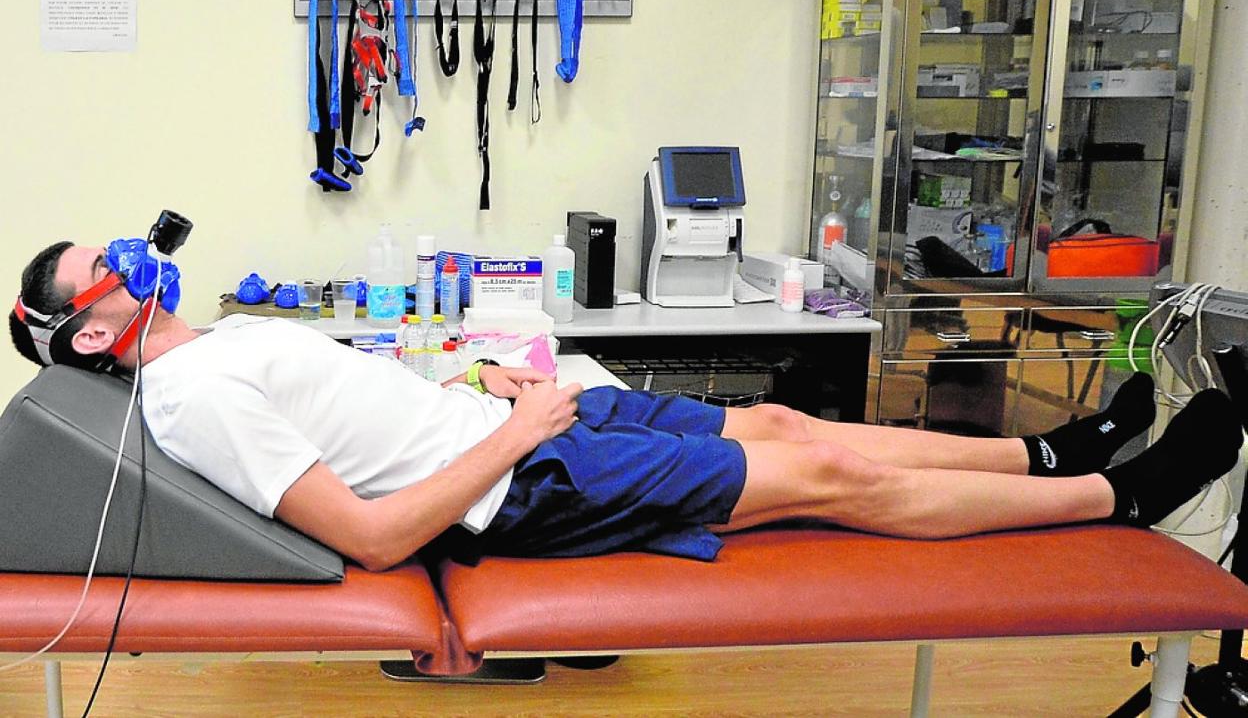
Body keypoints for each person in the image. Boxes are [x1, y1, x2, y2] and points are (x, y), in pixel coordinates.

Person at [10, 242, 1246, 572]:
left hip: (508, 428)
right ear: (100, 326)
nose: (135, 253)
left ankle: (1046, 445)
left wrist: (470, 384)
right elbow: (377, 535)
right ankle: (1125, 495)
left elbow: (355, 419)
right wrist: (516, 432)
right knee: (827, 485)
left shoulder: (215, 342)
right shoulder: (189, 398)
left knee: (791, 428)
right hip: (525, 484)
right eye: (105, 267)